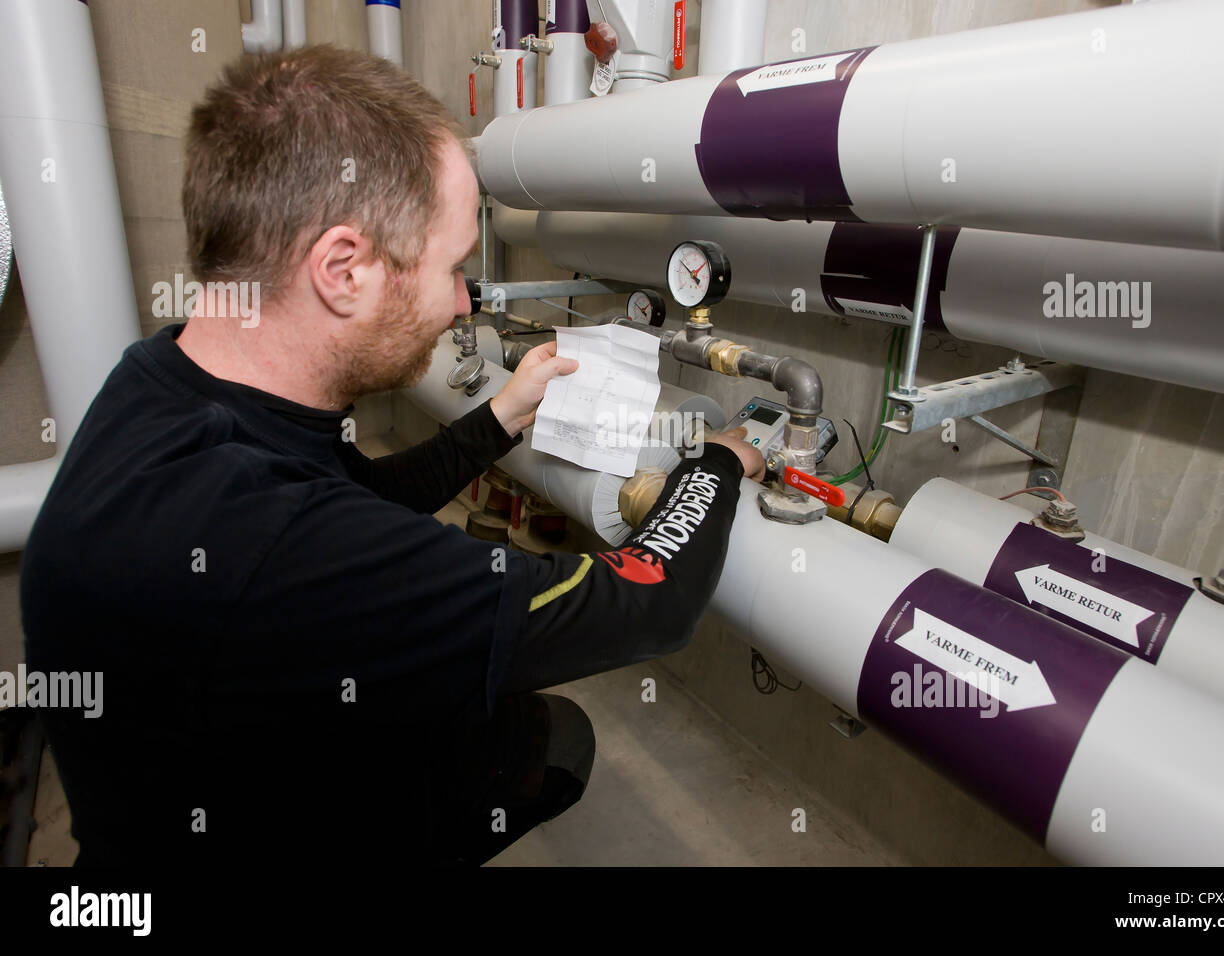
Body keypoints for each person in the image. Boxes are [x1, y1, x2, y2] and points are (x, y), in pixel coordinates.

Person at [19, 45, 764, 866]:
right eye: (450, 267)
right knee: (551, 739)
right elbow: (647, 604)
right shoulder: (282, 550)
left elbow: (358, 488)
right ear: (343, 268)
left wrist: (501, 418)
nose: (458, 303)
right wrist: (719, 463)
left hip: (172, 808)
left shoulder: (163, 385)